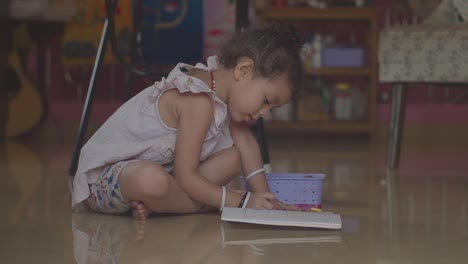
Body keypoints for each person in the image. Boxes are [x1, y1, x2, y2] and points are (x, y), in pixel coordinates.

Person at [72, 23, 305, 220]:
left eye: (271, 108)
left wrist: (266, 202)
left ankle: (167, 204)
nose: (264, 112)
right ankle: (188, 204)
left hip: (166, 180)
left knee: (234, 157)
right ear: (243, 70)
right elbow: (186, 177)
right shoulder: (197, 100)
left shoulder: (223, 89)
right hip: (107, 183)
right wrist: (241, 201)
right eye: (266, 100)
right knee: (150, 178)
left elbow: (246, 145)